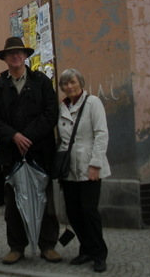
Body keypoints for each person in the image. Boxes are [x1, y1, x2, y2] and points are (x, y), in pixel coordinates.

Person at [0, 37, 62, 264]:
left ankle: (47, 245)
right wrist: (13, 136)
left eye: (18, 52)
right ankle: (16, 247)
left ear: (25, 56)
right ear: (6, 59)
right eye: (10, 54)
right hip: (11, 154)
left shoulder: (41, 81)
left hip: (40, 152)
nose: (15, 56)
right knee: (13, 205)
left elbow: (51, 114)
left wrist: (28, 135)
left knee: (45, 203)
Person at [57, 68, 110, 273]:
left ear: (81, 83)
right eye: (66, 84)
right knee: (74, 211)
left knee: (89, 211)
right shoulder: (62, 107)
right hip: (69, 169)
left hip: (89, 166)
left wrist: (95, 164)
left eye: (73, 82)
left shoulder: (93, 103)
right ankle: (85, 248)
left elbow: (101, 134)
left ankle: (99, 254)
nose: (70, 86)